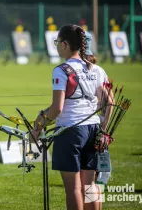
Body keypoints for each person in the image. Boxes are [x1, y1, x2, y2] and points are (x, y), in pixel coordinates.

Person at [30, 25, 110, 210]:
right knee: (90, 185)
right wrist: (103, 128)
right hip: (93, 130)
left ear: (65, 44)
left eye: (57, 42)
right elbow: (108, 102)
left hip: (70, 132)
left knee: (73, 188)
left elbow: (57, 108)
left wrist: (40, 123)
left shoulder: (61, 70)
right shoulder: (95, 69)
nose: (57, 46)